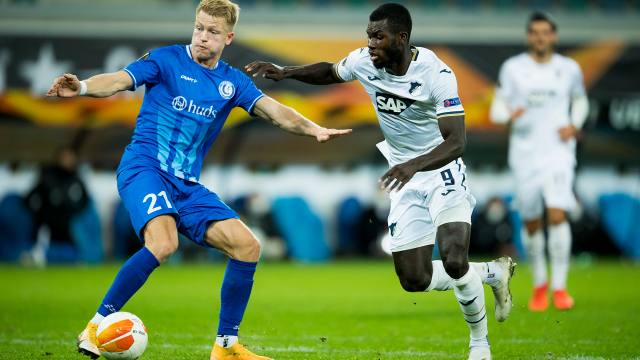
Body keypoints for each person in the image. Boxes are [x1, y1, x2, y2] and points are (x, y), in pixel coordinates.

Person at [47, 0, 351, 359]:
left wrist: (313, 128)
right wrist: (81, 87)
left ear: (228, 37)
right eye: (198, 28)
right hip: (144, 169)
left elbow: (275, 112)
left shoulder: (232, 82)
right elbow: (117, 80)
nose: (202, 38)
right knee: (164, 243)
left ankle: (226, 348)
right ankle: (95, 327)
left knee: (248, 246)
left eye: (212, 32)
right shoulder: (166, 59)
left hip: (186, 186)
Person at [246, 3, 515, 359]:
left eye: (379, 37)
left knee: (452, 258)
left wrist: (413, 165)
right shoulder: (364, 62)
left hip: (440, 170)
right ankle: (491, 273)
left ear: (401, 39)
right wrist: (285, 72)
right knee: (413, 279)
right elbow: (329, 72)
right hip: (404, 177)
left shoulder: (436, 73)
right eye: (369, 36)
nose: (371, 44)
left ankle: (479, 345)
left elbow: (457, 142)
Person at [489, 12, 588, 312]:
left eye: (545, 32)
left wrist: (574, 124)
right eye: (535, 32)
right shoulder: (513, 68)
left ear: (554, 36)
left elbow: (581, 100)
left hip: (558, 152)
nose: (540, 37)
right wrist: (509, 115)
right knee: (531, 223)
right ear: (528, 36)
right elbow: (496, 110)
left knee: (558, 215)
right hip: (525, 156)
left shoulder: (569, 68)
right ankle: (539, 285)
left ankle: (560, 288)